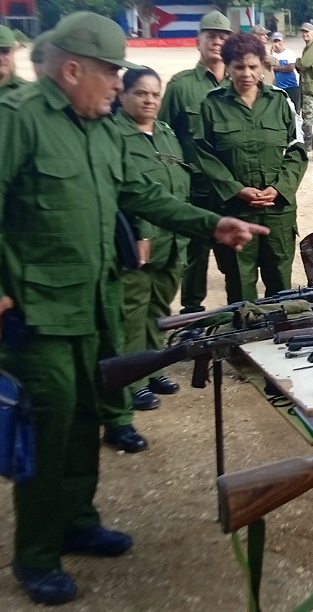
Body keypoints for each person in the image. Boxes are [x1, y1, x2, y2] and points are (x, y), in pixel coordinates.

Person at [0, 11, 265, 606]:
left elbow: (142, 193)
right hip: (35, 309)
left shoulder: (98, 127)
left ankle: (77, 520)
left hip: (93, 303)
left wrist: (212, 222)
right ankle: (37, 553)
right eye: (110, 75)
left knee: (84, 417)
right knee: (48, 426)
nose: (118, 88)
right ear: (73, 70)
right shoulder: (15, 121)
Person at [99, 67, 191, 451]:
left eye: (155, 94)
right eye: (140, 93)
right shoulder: (114, 135)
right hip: (138, 241)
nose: (149, 100)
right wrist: (140, 233)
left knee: (158, 307)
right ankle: (129, 386)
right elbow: (123, 192)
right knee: (130, 314)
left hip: (172, 241)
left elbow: (178, 184)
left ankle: (151, 369)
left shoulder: (166, 133)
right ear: (123, 95)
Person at [196, 32, 308, 302]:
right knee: (239, 286)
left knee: (281, 288)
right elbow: (203, 154)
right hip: (235, 211)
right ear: (228, 68)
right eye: (239, 67)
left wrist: (280, 188)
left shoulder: (281, 101)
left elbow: (297, 149)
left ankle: (280, 342)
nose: (246, 73)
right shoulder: (212, 105)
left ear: (262, 67)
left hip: (277, 212)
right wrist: (236, 190)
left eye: (253, 66)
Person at [159, 10, 231, 314]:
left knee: (236, 264)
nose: (216, 41)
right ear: (198, 41)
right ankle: (193, 324)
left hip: (231, 193)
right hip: (196, 192)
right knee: (194, 263)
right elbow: (163, 137)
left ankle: (238, 320)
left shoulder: (243, 80)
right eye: (210, 36)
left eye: (222, 37)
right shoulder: (181, 86)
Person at [296, 21, 313, 141]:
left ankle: (308, 145)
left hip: (311, 90)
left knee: (308, 120)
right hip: (310, 88)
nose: (304, 34)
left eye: (307, 31)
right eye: (303, 31)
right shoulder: (309, 47)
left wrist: (297, 61)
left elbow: (304, 63)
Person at [269, 31, 301, 109]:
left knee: (294, 111)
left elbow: (290, 68)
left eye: (278, 41)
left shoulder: (289, 53)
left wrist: (275, 67)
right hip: (278, 88)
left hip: (291, 87)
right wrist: (271, 53)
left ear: (283, 41)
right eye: (275, 41)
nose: (277, 43)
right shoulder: (271, 55)